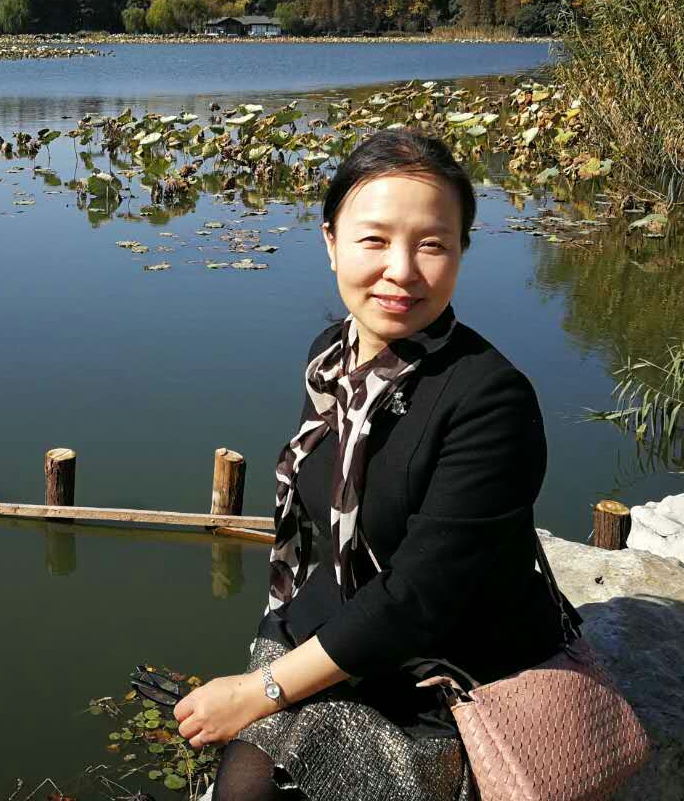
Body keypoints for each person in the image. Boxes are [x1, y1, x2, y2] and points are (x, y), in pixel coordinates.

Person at [173, 129, 573, 801]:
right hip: (344, 635)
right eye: (375, 239)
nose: (402, 270)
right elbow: (316, 538)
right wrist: (274, 654)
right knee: (245, 777)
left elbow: (418, 599)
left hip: (447, 676)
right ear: (330, 242)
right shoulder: (332, 359)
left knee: (253, 786)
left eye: (432, 244)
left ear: (461, 253)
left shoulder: (489, 400)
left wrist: (261, 689)